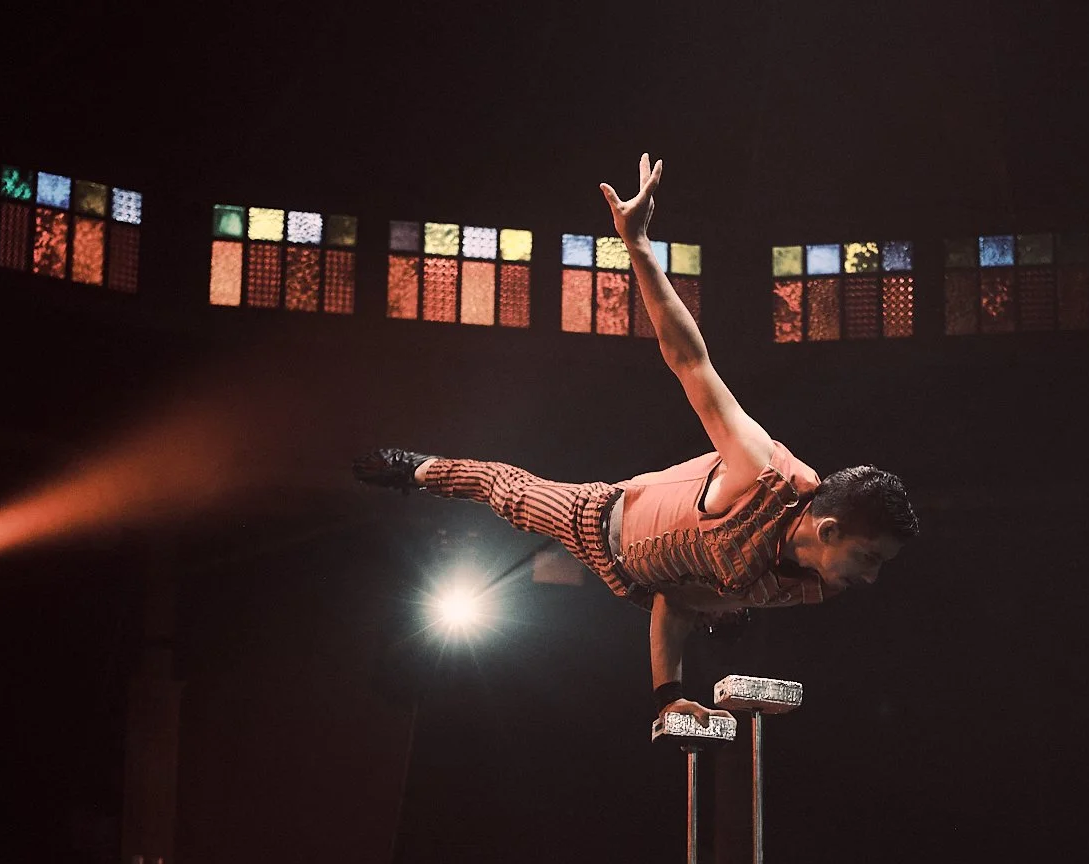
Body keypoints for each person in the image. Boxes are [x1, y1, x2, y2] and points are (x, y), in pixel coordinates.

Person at [354, 153, 920, 727]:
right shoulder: (762, 471)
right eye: (869, 558)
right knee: (511, 495)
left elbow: (672, 601)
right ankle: (420, 469)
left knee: (718, 600)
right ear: (829, 528)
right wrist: (639, 245)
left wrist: (667, 696)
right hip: (601, 520)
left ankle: (724, 613)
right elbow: (690, 362)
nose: (870, 578)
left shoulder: (820, 587)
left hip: (651, 584)